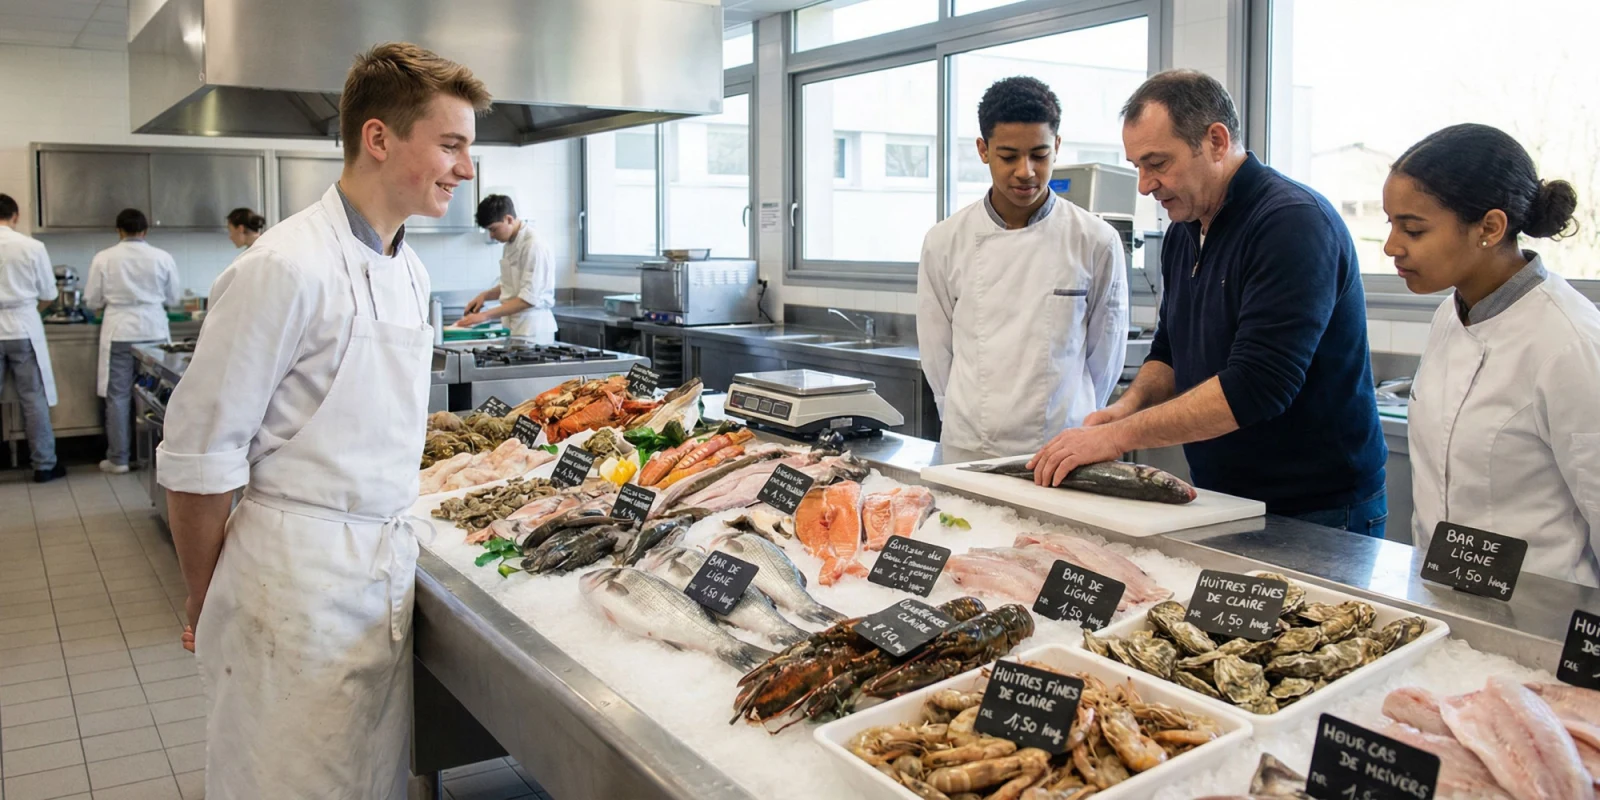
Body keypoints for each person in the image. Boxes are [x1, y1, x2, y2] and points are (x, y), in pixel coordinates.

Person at [156, 43, 489, 797]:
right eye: (450, 145)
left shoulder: (410, 268)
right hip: (291, 587)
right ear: (378, 138)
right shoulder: (283, 267)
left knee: (368, 778)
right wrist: (204, 595)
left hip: (379, 578)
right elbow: (199, 458)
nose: (465, 170)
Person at [1030, 70, 1388, 536]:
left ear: (1216, 141)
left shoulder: (1291, 224)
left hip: (1316, 509)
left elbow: (1257, 386)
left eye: (1157, 163)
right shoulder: (1185, 229)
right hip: (1223, 497)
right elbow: (1170, 350)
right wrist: (1127, 407)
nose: (1144, 185)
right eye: (1137, 165)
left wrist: (1113, 437)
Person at [1384, 124, 1600, 585]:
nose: (1391, 247)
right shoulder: (1450, 314)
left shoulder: (1571, 343)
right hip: (1446, 606)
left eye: (1413, 229)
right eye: (1391, 224)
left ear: (1490, 227)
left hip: (1547, 619)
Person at [918, 76, 1128, 457]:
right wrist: (960, 416)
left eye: (1040, 154)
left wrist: (1072, 417)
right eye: (1009, 155)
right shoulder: (945, 241)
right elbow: (936, 353)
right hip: (970, 446)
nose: (1026, 171)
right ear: (983, 150)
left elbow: (1106, 356)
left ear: (1057, 147)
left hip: (1063, 446)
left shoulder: (1095, 240)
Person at [86, 208, 180, 474]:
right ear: (145, 231)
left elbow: (92, 299)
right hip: (155, 332)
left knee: (118, 396)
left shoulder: (104, 258)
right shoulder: (162, 257)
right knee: (161, 396)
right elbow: (173, 298)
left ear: (119, 230)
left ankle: (119, 459)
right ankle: (163, 458)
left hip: (120, 331)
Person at [0, 193, 64, 482]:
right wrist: (29, 310)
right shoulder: (31, 246)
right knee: (32, 398)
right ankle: (44, 465)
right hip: (23, 329)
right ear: (15, 216)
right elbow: (49, 295)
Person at [456, 194, 557, 342]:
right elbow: (511, 284)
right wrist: (485, 296)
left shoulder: (533, 245)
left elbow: (528, 299)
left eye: (493, 229)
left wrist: (484, 315)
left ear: (509, 219)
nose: (491, 235)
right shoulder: (511, 243)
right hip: (515, 328)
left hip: (533, 330)